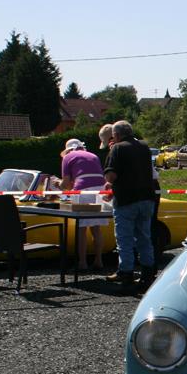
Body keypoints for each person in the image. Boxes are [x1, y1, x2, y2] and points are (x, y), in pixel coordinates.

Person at [103, 120, 156, 289]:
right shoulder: (144, 147)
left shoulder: (117, 148)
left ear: (116, 135)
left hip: (126, 200)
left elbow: (110, 176)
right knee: (144, 237)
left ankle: (125, 272)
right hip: (147, 198)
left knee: (124, 239)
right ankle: (148, 273)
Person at [59, 138, 106, 270]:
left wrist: (58, 184)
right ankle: (99, 260)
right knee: (96, 227)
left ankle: (82, 262)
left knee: (81, 228)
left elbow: (66, 183)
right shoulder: (93, 155)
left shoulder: (67, 157)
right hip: (100, 189)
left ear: (68, 150)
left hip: (83, 190)